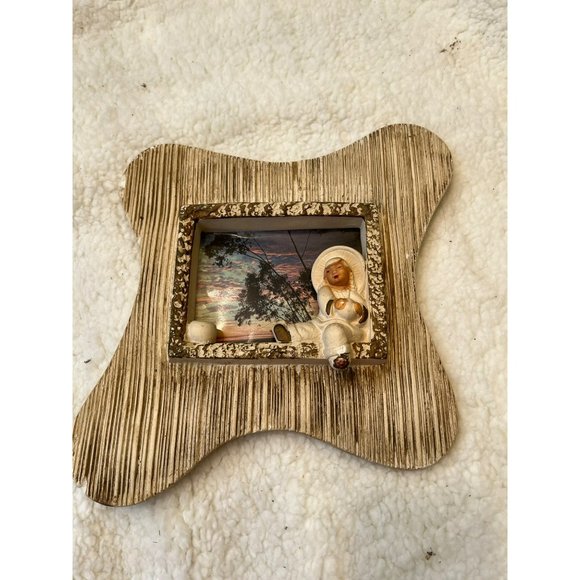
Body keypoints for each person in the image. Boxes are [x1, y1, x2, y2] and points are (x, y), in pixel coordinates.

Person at [272, 246, 370, 369]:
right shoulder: (325, 290)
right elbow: (326, 306)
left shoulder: (353, 294)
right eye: (328, 271)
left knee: (334, 331)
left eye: (339, 267)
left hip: (348, 328)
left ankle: (339, 356)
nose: (334, 272)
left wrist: (357, 309)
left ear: (349, 272)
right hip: (321, 323)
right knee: (307, 329)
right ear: (325, 278)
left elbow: (364, 314)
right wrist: (335, 304)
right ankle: (289, 334)